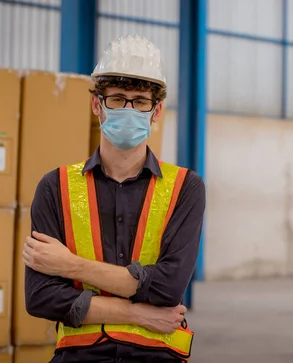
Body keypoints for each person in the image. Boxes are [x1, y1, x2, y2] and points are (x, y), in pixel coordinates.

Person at [22, 34, 206, 363]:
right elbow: (41, 297)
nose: (129, 109)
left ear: (157, 110)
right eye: (118, 98)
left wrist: (69, 265)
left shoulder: (185, 187)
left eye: (140, 100)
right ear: (97, 104)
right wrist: (139, 313)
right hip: (79, 356)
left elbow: (168, 289)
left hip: (156, 356)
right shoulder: (55, 187)